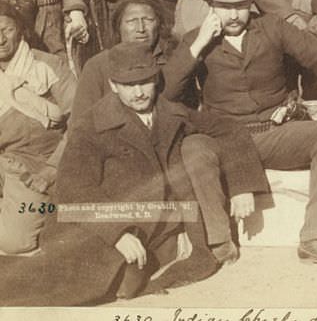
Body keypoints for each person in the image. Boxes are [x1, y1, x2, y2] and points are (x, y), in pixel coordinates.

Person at [0, 41, 267, 305]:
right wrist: (117, 233)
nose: (138, 92)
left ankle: (156, 254)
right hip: (97, 218)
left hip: (155, 220)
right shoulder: (91, 126)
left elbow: (231, 130)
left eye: (145, 82)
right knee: (73, 281)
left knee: (130, 277)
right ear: (114, 86)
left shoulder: (172, 113)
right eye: (128, 85)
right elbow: (74, 191)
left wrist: (242, 185)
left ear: (156, 80)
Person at [162, 0, 317, 265]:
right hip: (224, 140)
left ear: (252, 1)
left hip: (275, 132)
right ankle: (219, 242)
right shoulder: (195, 40)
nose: (234, 14)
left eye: (241, 5)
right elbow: (168, 93)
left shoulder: (273, 28)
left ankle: (316, 238)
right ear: (211, 3)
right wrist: (198, 45)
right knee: (194, 147)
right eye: (224, 6)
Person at [0, 1, 75, 254]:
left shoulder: (48, 65)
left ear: (21, 30)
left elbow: (80, 122)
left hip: (39, 167)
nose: (0, 39)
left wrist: (50, 170)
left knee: (13, 241)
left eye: (6, 30)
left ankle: (40, 213)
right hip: (6, 163)